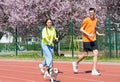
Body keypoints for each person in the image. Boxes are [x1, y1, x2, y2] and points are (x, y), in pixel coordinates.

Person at [72, 8, 105, 75]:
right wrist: (88, 34)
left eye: (92, 12)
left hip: (93, 39)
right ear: (89, 13)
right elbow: (81, 29)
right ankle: (76, 63)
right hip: (86, 40)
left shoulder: (96, 20)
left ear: (94, 13)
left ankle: (94, 70)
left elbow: (93, 29)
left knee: (96, 53)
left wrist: (98, 34)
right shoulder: (86, 20)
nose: (91, 14)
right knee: (85, 54)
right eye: (90, 13)